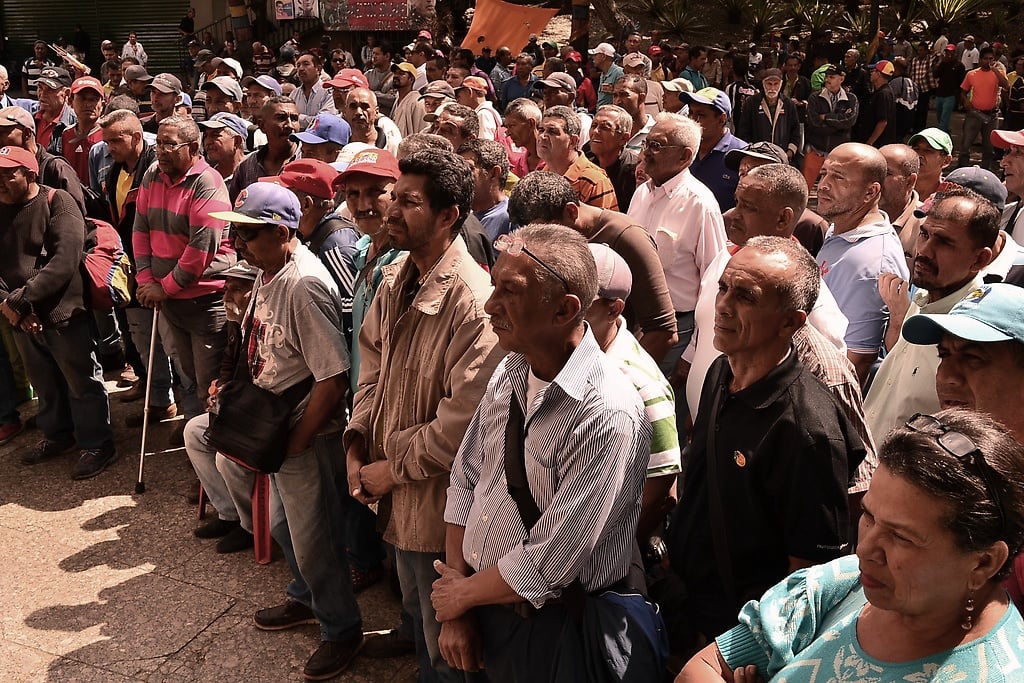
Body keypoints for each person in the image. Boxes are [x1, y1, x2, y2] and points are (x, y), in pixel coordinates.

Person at [432, 223, 654, 680]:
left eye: (509, 292)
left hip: (551, 626)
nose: (491, 305)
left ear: (564, 310)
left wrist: (462, 596)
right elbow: (466, 475)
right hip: (480, 600)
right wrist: (458, 601)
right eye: (494, 286)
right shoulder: (513, 366)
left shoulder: (607, 410)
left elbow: (549, 560)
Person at [679, 408, 1024, 683]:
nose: (864, 550)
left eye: (901, 537)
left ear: (984, 563)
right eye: (870, 517)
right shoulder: (845, 583)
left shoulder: (996, 672)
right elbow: (701, 669)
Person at [344, 148, 504, 682]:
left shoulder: (474, 303)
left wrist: (391, 469)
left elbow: (462, 426)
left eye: (408, 202)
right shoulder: (397, 279)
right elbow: (371, 369)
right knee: (418, 620)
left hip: (440, 516)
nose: (390, 211)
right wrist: (357, 445)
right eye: (398, 197)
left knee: (448, 650)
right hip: (394, 497)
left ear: (448, 216)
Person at [667, 236, 865, 647]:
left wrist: (752, 649)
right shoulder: (722, 371)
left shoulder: (808, 430)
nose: (722, 305)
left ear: (791, 322)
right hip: (684, 605)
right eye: (723, 287)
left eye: (746, 296)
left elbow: (808, 575)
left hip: (736, 639)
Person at [206, 182, 366, 680]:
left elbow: (333, 377)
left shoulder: (303, 284)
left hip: (304, 437)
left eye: (250, 235)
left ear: (280, 232)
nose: (240, 245)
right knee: (281, 528)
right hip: (276, 433)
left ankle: (340, 630)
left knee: (314, 542)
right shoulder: (267, 270)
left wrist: (298, 441)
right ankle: (304, 597)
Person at [0, 144, 116, 479]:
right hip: (18, 316)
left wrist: (23, 302)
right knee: (44, 381)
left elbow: (65, 261)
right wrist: (11, 307)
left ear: (30, 173)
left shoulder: (57, 202)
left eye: (9, 175)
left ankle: (97, 443)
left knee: (81, 381)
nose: (1, 182)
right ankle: (57, 436)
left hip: (63, 312)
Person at [864, 187, 998, 440]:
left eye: (944, 242)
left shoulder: (980, 332)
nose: (924, 250)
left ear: (979, 260)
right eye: (924, 234)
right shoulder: (923, 298)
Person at [509, 171, 678, 363]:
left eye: (546, 233)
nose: (541, 245)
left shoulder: (628, 238)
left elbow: (663, 332)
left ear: (571, 212)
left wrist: (614, 378)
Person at [133, 116, 235, 428]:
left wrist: (164, 287)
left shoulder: (207, 183)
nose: (160, 151)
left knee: (210, 381)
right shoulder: (153, 174)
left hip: (204, 301)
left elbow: (200, 249)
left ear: (192, 148)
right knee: (186, 373)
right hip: (169, 297)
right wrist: (145, 278)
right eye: (158, 143)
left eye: (169, 144)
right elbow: (140, 230)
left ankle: (217, 449)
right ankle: (197, 434)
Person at [584, 242, 680, 543]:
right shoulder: (573, 353)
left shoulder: (638, 380)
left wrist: (612, 546)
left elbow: (661, 482)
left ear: (614, 308)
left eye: (581, 300)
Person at [627, 113, 727, 392]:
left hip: (676, 332)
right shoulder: (641, 193)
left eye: (656, 146)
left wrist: (692, 353)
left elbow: (714, 283)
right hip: (632, 320)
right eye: (646, 144)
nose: (645, 152)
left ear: (684, 157)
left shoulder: (700, 205)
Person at [815, 142, 910, 385]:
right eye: (824, 173)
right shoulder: (841, 229)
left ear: (870, 192)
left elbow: (854, 363)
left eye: (838, 178)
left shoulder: (870, 261)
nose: (823, 185)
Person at [537, 106, 618, 211]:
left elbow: (602, 226)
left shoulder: (594, 181)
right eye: (541, 130)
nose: (543, 136)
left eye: (552, 132)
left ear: (573, 141)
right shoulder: (542, 174)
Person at [679, 87, 747, 211]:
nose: (692, 120)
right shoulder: (683, 149)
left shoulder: (741, 154)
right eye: (691, 113)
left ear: (721, 119)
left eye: (701, 115)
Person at [228, 97, 301, 201]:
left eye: (294, 119)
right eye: (281, 118)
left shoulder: (309, 162)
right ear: (262, 125)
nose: (289, 125)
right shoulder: (246, 166)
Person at [804, 64, 859, 189]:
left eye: (832, 77)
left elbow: (850, 121)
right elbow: (814, 124)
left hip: (839, 154)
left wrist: (826, 117)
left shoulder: (851, 98)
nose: (827, 80)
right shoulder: (814, 97)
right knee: (806, 188)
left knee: (836, 190)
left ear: (841, 79)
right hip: (816, 149)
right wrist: (839, 124)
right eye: (827, 76)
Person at [736, 69, 800, 162]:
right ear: (763, 83)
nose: (772, 88)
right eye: (769, 84)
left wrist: (790, 152)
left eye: (776, 84)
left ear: (781, 84)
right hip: (757, 157)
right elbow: (743, 131)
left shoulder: (788, 104)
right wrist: (751, 151)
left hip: (781, 157)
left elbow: (795, 131)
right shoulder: (752, 103)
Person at [959, 47, 1008, 170]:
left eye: (991, 59)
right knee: (966, 145)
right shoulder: (971, 74)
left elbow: (1006, 85)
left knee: (989, 147)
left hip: (992, 115)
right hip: (974, 114)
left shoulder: (998, 73)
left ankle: (986, 171)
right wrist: (965, 101)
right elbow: (963, 92)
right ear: (980, 60)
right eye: (985, 59)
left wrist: (995, 70)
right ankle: (962, 169)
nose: (988, 61)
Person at [585, 104, 639, 211]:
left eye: (605, 127)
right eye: (594, 125)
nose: (595, 131)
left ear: (624, 138)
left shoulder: (634, 171)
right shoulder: (585, 159)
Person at [878, 143, 923, 266]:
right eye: (874, 172)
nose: (876, 180)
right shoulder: (852, 215)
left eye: (887, 173)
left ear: (910, 181)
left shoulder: (927, 225)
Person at [459, 139, 511, 241]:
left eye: (468, 169)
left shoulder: (509, 221)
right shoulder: (459, 214)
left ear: (494, 173)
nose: (460, 176)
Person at [291, 52, 336, 128]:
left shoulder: (329, 92)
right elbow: (288, 119)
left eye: (306, 64)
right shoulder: (294, 94)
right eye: (298, 65)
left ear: (318, 69)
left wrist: (297, 118)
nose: (301, 69)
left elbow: (324, 121)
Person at [909, 127, 953, 202]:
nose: (919, 155)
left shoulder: (949, 198)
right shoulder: (897, 189)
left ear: (946, 160)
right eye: (916, 148)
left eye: (928, 150)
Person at [934, 44, 966, 134]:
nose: (949, 54)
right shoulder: (943, 64)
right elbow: (935, 74)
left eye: (951, 52)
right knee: (939, 116)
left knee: (944, 118)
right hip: (940, 93)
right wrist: (941, 62)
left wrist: (959, 96)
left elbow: (961, 81)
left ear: (954, 53)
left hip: (950, 95)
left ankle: (941, 136)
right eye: (947, 52)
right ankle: (946, 131)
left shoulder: (959, 65)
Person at [389, 62, 426, 139]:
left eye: (401, 74)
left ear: (411, 79)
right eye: (395, 73)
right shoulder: (397, 99)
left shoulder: (417, 102)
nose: (396, 76)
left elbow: (422, 130)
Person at [590, 42, 624, 108]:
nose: (593, 58)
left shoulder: (619, 73)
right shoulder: (603, 73)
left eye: (596, 55)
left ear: (603, 56)